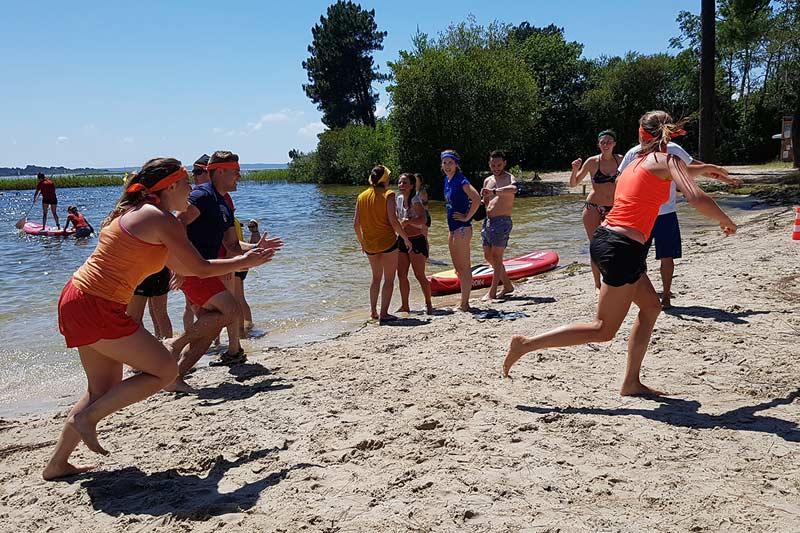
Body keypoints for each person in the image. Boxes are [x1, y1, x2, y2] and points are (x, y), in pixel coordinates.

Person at [43, 157, 277, 480]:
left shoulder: (146, 215)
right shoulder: (157, 217)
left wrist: (243, 256)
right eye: (185, 184)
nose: (191, 189)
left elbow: (181, 266)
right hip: (94, 304)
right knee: (165, 370)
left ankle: (57, 464)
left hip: (79, 299)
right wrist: (244, 260)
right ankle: (89, 419)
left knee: (102, 389)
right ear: (169, 187)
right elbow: (200, 268)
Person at [503, 111, 738, 396]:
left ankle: (631, 382)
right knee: (602, 329)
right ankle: (525, 344)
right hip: (621, 249)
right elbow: (695, 196)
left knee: (651, 306)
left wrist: (706, 168)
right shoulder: (667, 161)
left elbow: (673, 173)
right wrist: (726, 219)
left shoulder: (635, 163)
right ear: (669, 135)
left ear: (641, 135)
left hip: (610, 241)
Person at [173, 151, 272, 381]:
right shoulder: (202, 195)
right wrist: (179, 264)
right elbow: (177, 223)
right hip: (194, 270)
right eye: (235, 172)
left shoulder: (224, 202)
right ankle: (173, 344)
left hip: (208, 269)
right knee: (231, 310)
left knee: (212, 326)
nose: (239, 176)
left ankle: (174, 375)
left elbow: (232, 245)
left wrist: (256, 249)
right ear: (219, 171)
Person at [618, 141, 742, 309]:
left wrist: (724, 178)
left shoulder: (672, 150)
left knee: (666, 257)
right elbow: (620, 179)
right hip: (643, 214)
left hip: (665, 213)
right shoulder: (634, 152)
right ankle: (644, 295)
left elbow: (695, 168)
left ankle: (666, 295)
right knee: (638, 258)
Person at [353, 165, 412, 322]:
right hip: (388, 243)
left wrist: (362, 242)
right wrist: (405, 238)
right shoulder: (389, 195)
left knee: (375, 278)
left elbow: (355, 224)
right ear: (385, 179)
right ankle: (384, 314)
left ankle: (373, 312)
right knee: (389, 279)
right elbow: (393, 221)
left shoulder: (361, 196)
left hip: (370, 244)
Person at [569, 130, 623, 290]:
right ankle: (598, 284)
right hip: (593, 207)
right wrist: (574, 169)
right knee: (596, 246)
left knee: (618, 244)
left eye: (609, 141)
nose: (605, 144)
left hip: (615, 207)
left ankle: (615, 278)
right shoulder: (592, 162)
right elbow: (573, 184)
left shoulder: (621, 160)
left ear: (614, 144)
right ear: (598, 144)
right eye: (602, 142)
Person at [441, 150, 481, 311]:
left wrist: (467, 217)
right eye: (445, 163)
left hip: (463, 228)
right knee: (457, 267)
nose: (447, 166)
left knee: (464, 267)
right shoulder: (447, 180)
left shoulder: (461, 180)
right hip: (452, 229)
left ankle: (465, 303)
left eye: (450, 162)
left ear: (456, 164)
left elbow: (476, 198)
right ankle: (463, 300)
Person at [480, 150, 518, 300]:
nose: (496, 167)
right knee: (488, 256)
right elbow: (486, 201)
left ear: (504, 163)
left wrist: (494, 191)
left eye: (499, 165)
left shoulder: (509, 178)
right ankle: (508, 286)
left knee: (497, 257)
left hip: (502, 221)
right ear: (489, 164)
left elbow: (514, 189)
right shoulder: (487, 180)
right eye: (493, 165)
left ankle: (492, 292)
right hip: (488, 222)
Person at [395, 173, 433, 314]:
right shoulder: (398, 199)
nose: (401, 186)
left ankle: (429, 304)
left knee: (419, 275)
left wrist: (409, 221)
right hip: (402, 240)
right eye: (400, 183)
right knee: (402, 275)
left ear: (411, 185)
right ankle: (405, 305)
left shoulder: (415, 200)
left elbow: (423, 220)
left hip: (417, 240)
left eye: (405, 183)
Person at [127, 267, 173, 339]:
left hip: (142, 271)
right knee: (161, 315)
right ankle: (166, 347)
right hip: (162, 269)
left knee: (134, 318)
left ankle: (142, 347)